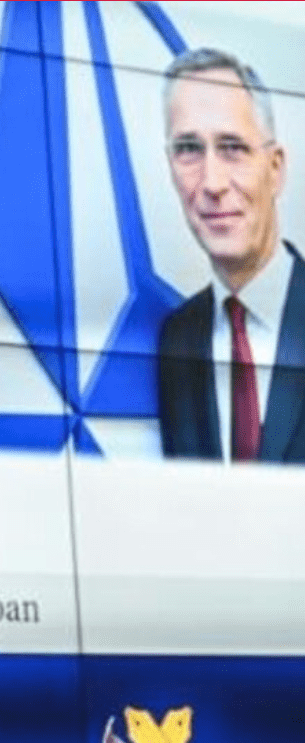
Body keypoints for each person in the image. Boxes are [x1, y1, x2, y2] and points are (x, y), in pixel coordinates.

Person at [157, 48, 305, 462]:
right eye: (189, 148)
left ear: (274, 168)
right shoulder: (177, 338)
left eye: (232, 147)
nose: (212, 183)